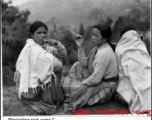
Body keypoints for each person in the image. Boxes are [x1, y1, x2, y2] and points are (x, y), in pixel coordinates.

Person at [61, 24, 119, 111]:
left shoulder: (104, 52)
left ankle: (79, 88)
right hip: (98, 79)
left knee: (66, 86)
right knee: (77, 65)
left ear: (105, 38)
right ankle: (78, 86)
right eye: (93, 34)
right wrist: (80, 47)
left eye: (96, 35)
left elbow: (96, 79)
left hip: (106, 87)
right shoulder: (98, 48)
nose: (93, 37)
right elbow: (84, 63)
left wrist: (82, 84)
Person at [14, 21, 67, 115]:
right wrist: (50, 64)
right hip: (32, 87)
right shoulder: (32, 48)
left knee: (47, 73)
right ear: (32, 35)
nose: (42, 35)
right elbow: (58, 65)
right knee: (48, 75)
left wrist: (57, 44)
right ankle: (40, 98)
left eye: (44, 32)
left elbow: (63, 54)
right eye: (39, 33)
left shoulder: (45, 47)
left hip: (38, 84)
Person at [115, 25, 151, 114]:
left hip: (128, 89)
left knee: (121, 89)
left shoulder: (119, 49)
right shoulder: (142, 46)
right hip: (148, 80)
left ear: (122, 37)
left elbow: (117, 69)